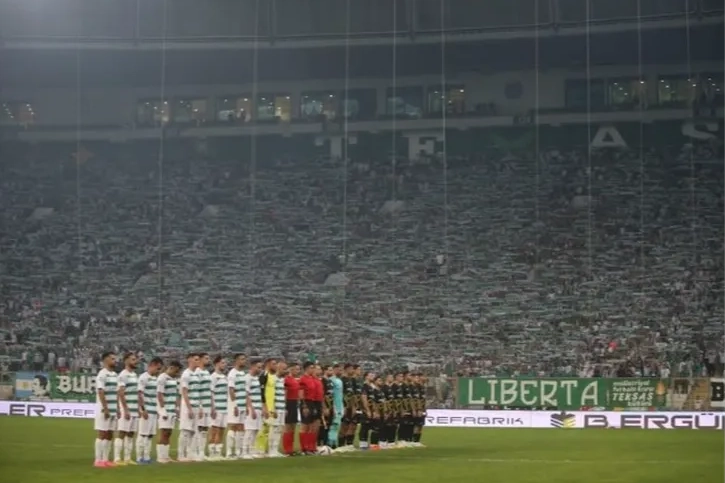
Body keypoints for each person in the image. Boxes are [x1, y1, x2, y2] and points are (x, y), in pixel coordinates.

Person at [93, 351, 118, 468]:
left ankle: (105, 459)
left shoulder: (114, 375)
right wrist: (105, 408)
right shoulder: (102, 374)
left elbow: (116, 392)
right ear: (105, 360)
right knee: (102, 433)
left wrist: (117, 408)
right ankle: (98, 460)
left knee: (109, 434)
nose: (115, 361)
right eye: (112, 359)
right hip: (104, 409)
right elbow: (101, 392)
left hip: (113, 409)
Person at [136, 356, 163, 463]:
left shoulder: (156, 379)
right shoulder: (143, 377)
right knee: (143, 434)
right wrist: (143, 410)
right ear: (152, 365)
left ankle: (147, 457)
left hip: (154, 411)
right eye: (158, 368)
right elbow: (139, 394)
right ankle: (139, 457)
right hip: (146, 410)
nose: (159, 371)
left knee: (150, 435)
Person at [115, 352, 140, 465]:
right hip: (127, 409)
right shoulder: (123, 375)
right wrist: (125, 409)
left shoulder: (134, 375)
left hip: (134, 409)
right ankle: (117, 458)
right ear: (126, 361)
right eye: (133, 359)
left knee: (131, 434)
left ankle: (127, 458)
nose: (136, 361)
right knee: (122, 432)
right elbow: (121, 393)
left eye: (135, 359)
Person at [156, 360, 182, 464]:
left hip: (172, 409)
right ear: (171, 367)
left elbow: (176, 395)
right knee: (164, 432)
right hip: (165, 409)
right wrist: (162, 410)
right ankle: (160, 456)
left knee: (169, 432)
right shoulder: (162, 378)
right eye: (176, 371)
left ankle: (166, 456)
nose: (177, 373)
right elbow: (160, 394)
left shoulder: (174, 379)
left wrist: (177, 408)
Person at [178, 353, 201, 462]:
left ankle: (190, 453)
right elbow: (184, 392)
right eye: (196, 359)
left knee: (193, 431)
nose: (198, 361)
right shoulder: (186, 374)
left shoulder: (196, 375)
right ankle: (181, 454)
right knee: (185, 431)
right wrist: (189, 408)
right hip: (188, 406)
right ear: (189, 360)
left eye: (198, 359)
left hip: (196, 405)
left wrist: (200, 406)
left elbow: (197, 392)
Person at [226, 353, 247, 458]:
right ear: (236, 361)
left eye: (244, 359)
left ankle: (239, 451)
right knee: (233, 426)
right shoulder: (232, 373)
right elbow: (231, 390)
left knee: (241, 427)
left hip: (243, 404)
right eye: (242, 359)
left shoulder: (243, 373)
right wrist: (235, 405)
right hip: (235, 405)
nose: (244, 361)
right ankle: (229, 452)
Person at [209, 355, 228, 460]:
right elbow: (211, 393)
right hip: (217, 407)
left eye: (225, 363)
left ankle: (218, 453)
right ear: (217, 364)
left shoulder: (224, 377)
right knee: (214, 430)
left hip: (225, 408)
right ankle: (212, 453)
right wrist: (213, 407)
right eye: (222, 363)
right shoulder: (213, 377)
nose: (224, 365)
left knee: (221, 430)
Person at [298, 361, 320, 454]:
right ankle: (303, 448)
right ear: (306, 368)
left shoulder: (312, 379)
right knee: (305, 426)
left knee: (312, 426)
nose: (313, 369)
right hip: (306, 402)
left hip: (313, 402)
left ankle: (311, 447)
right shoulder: (303, 379)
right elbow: (301, 393)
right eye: (311, 368)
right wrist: (304, 406)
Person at [243, 359, 263, 459]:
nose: (260, 369)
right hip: (252, 408)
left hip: (258, 407)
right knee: (249, 430)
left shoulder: (256, 379)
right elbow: (246, 394)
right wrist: (251, 408)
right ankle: (244, 451)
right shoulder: (247, 378)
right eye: (258, 367)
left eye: (261, 367)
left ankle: (251, 450)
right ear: (252, 367)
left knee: (255, 430)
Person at [195, 352, 213, 460]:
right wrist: (200, 405)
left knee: (205, 429)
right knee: (199, 428)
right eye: (206, 358)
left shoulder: (207, 372)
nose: (208, 360)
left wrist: (212, 405)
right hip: (200, 405)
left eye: (208, 358)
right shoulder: (197, 372)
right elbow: (197, 390)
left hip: (208, 405)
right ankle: (197, 451)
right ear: (201, 359)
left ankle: (202, 452)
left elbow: (209, 390)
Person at [282, 362, 301, 455]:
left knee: (293, 427)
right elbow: (284, 393)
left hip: (294, 403)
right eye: (296, 369)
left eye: (298, 369)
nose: (298, 371)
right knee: (288, 427)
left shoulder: (295, 380)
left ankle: (291, 448)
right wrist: (285, 406)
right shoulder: (286, 380)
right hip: (289, 403)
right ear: (291, 369)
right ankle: (287, 449)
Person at [270, 359, 287, 457]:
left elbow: (283, 394)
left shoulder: (282, 380)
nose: (285, 371)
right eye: (283, 369)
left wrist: (284, 407)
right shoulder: (273, 379)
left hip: (282, 407)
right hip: (276, 408)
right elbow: (271, 395)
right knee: (274, 429)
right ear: (278, 368)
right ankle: (271, 450)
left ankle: (275, 449)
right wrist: (273, 408)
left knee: (280, 429)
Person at [328, 364, 344, 449]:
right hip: (334, 405)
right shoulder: (331, 380)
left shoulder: (339, 380)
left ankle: (334, 442)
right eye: (338, 370)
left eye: (341, 370)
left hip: (340, 405)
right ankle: (330, 443)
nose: (340, 371)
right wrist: (333, 406)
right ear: (334, 370)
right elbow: (331, 394)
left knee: (337, 425)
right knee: (333, 425)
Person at [318, 365, 334, 447]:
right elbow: (322, 395)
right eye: (330, 370)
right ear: (325, 371)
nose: (332, 372)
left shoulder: (330, 381)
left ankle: (326, 444)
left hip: (331, 406)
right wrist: (324, 407)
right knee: (323, 425)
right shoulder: (322, 381)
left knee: (329, 425)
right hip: (325, 407)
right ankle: (319, 444)